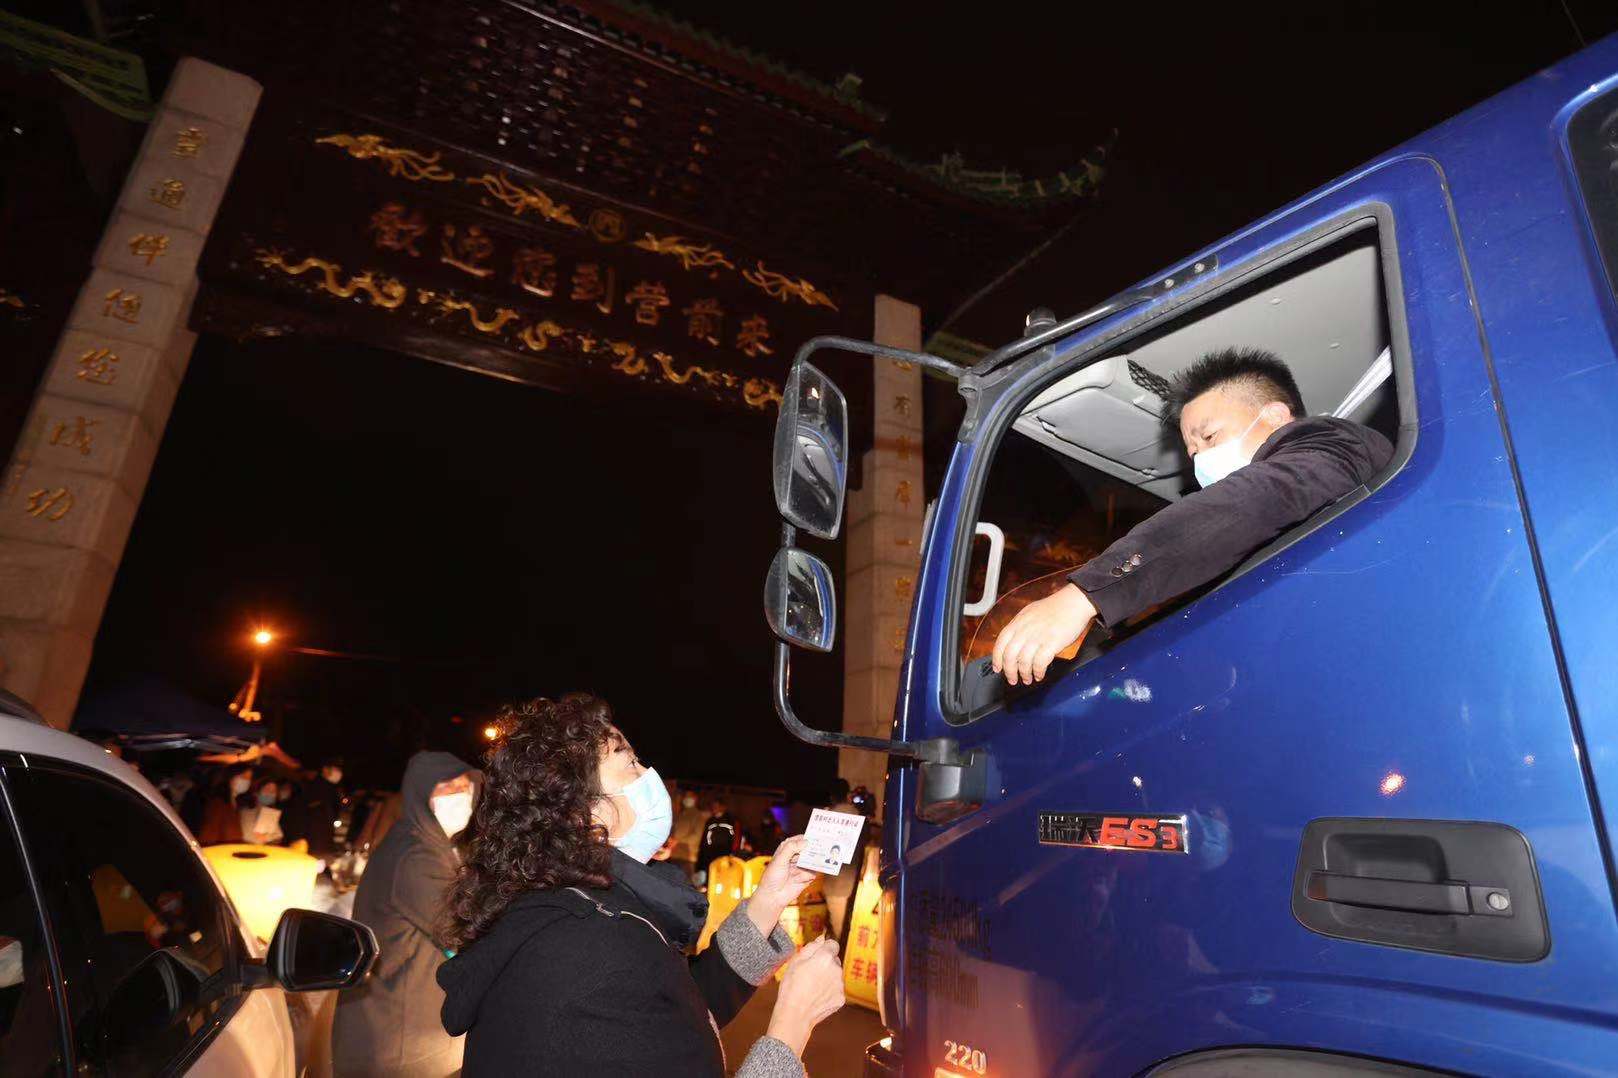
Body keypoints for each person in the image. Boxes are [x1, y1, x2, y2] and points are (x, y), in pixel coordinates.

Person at [437, 693, 845, 1077]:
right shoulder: (587, 943)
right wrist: (793, 1019)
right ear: (584, 814)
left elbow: (674, 1014)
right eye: (630, 763)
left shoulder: (578, 905)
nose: (650, 776)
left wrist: (768, 900)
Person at [993, 347, 1395, 685]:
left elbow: (1246, 502)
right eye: (1193, 452)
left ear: (1274, 416)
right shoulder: (1277, 524)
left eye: (1210, 437)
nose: (1201, 459)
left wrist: (1085, 595)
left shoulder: (1334, 446)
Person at [333, 751, 480, 1077]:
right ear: (420, 794)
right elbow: (463, 929)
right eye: (446, 787)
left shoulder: (430, 844)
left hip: (402, 1023)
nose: (459, 795)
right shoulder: (415, 857)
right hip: (400, 1036)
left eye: (463, 786)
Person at [291, 758, 347, 862]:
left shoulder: (332, 790)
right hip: (311, 844)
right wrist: (298, 838)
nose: (338, 773)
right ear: (325, 769)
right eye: (336, 769)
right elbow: (301, 815)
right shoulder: (313, 787)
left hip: (322, 843)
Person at [196, 766, 252, 845]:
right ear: (231, 778)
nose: (247, 781)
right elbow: (209, 835)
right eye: (244, 777)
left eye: (249, 778)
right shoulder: (218, 804)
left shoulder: (235, 803)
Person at [696, 798, 738, 882]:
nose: (714, 808)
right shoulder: (710, 821)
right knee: (710, 876)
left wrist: (733, 853)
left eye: (716, 806)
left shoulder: (731, 821)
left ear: (723, 807)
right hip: (710, 854)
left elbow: (735, 838)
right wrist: (702, 853)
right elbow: (704, 839)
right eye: (713, 806)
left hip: (725, 854)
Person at [671, 788, 707, 879]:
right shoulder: (682, 814)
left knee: (685, 882)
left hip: (687, 857)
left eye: (689, 796)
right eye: (685, 796)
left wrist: (677, 841)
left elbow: (696, 837)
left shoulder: (698, 815)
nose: (686, 798)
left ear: (695, 799)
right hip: (675, 854)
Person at [240, 778, 284, 845]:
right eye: (267, 789)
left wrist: (267, 837)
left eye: (273, 791)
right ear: (256, 792)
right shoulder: (246, 811)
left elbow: (278, 835)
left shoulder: (270, 813)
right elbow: (248, 836)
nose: (270, 793)